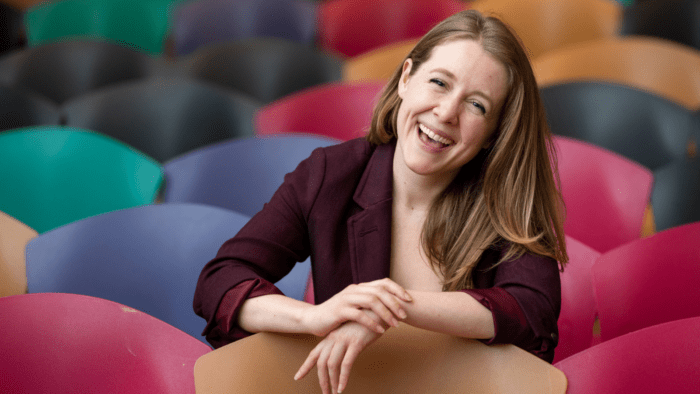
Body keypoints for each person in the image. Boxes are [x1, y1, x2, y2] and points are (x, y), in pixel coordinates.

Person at [194, 9, 568, 394]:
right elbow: (220, 282)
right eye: (439, 82)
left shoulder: (506, 197)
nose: (446, 113)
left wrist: (391, 308)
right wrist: (314, 318)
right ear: (407, 78)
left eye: (477, 105)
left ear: (493, 133)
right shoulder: (331, 173)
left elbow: (532, 311)